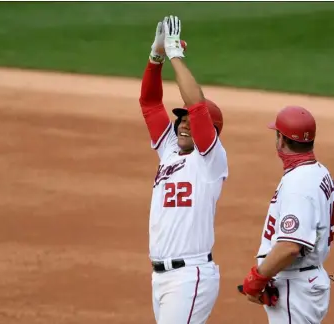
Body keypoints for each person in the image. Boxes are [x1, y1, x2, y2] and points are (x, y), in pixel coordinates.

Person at [139, 15, 228, 324]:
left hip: (189, 277)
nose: (184, 123)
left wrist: (176, 53)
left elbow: (198, 107)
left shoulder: (210, 160)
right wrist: (156, 55)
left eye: (191, 120)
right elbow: (150, 103)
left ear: (209, 131)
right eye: (181, 119)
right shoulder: (169, 151)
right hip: (161, 277)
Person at [239, 106, 334, 323]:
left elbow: (290, 246)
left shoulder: (298, 184)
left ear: (281, 140)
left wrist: (257, 278)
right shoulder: (319, 171)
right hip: (305, 280)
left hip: (296, 287)